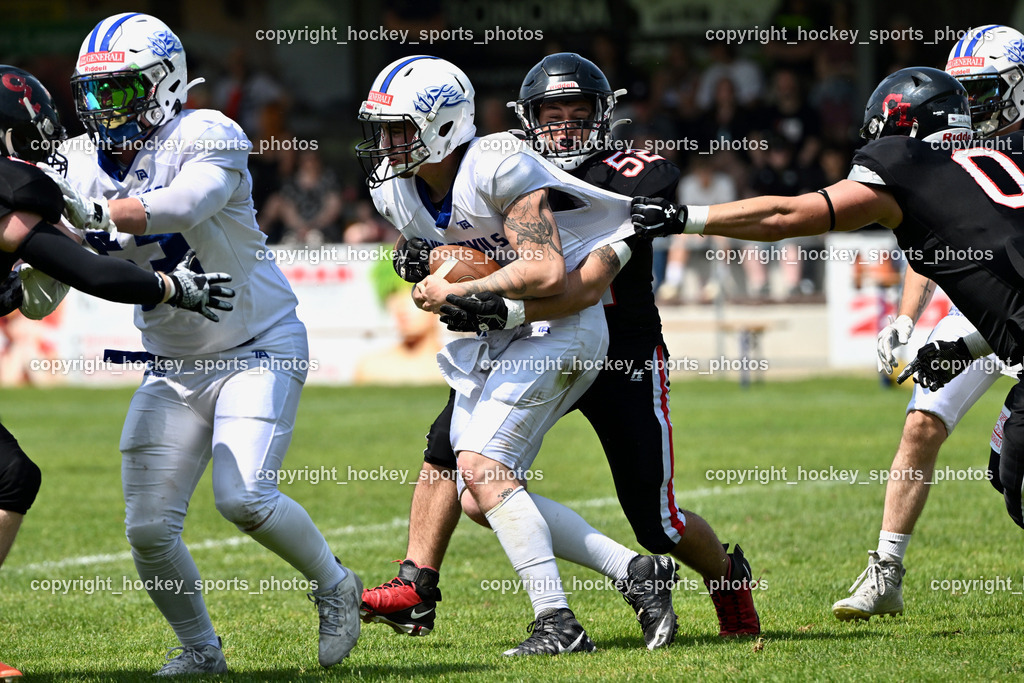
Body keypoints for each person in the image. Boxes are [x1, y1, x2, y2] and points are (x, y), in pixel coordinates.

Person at [358, 53, 760, 650]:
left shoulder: (628, 176)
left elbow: (578, 283)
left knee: (658, 523)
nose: (566, 125)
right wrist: (423, 258)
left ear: (603, 116)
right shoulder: (485, 168)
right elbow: (472, 249)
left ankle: (726, 584)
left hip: (615, 348)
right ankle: (418, 584)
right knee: (458, 464)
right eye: (553, 113)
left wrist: (473, 290)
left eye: (579, 113)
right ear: (530, 117)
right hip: (522, 334)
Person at [43, 14, 360, 674]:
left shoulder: (205, 131)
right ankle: (201, 650)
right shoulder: (73, 160)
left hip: (258, 344)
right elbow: (51, 267)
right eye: (93, 93)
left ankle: (335, 584)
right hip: (173, 364)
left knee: (242, 497)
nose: (103, 108)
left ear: (165, 86)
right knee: (149, 529)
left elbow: (185, 204)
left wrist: (91, 213)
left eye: (120, 91)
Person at [632, 66, 1024, 571]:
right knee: (1006, 474)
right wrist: (964, 348)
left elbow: (787, 216)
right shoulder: (997, 161)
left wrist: (687, 218)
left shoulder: (904, 161)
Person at [0, 63, 234, 681]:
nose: (40, 150)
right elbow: (94, 274)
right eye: (28, 136)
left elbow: (32, 294)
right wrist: (169, 287)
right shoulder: (16, 199)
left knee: (11, 478)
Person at [831, 25, 1024, 621]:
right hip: (981, 310)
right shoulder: (952, 153)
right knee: (921, 424)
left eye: (987, 92)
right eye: (964, 94)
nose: (974, 108)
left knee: (1013, 466)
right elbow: (931, 240)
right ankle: (885, 572)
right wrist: (907, 319)